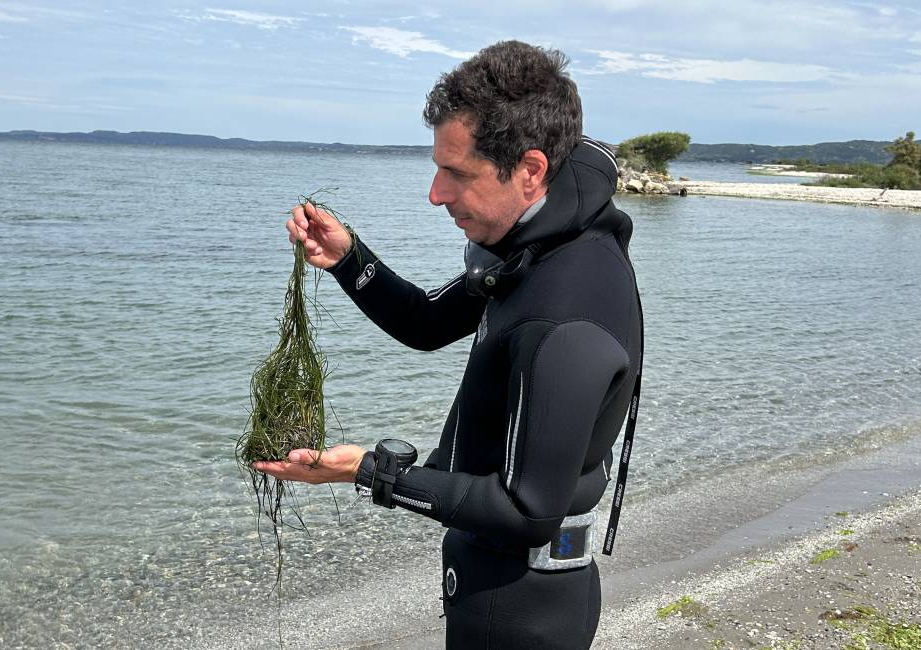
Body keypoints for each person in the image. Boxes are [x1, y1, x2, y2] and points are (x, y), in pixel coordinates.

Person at [254, 40, 642, 649]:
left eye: (457, 174)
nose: (435, 194)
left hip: (520, 612)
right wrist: (348, 258)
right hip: (510, 586)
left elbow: (525, 512)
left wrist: (369, 471)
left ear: (531, 169)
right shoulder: (540, 248)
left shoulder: (564, 312)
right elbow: (427, 323)